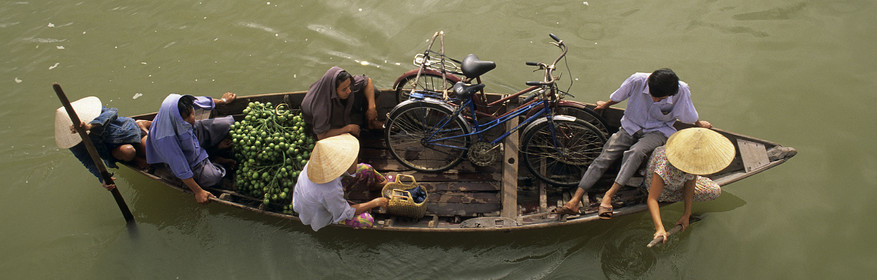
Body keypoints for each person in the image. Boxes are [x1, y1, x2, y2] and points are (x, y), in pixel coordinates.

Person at [557, 68, 713, 218]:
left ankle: (609, 195)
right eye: (653, 96)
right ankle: (575, 200)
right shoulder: (638, 79)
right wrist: (606, 105)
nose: (655, 100)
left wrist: (699, 124)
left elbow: (689, 114)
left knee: (635, 152)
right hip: (630, 125)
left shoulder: (682, 90)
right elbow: (619, 95)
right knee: (605, 157)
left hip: (658, 130)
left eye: (660, 99)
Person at [643, 127, 735, 243]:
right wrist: (659, 228)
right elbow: (652, 199)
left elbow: (690, 184)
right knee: (712, 191)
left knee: (715, 190)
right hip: (663, 190)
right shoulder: (665, 167)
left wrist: (687, 214)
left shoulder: (692, 161)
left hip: (679, 180)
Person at [145, 92, 237, 204]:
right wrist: (198, 191)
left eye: (192, 113)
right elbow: (180, 167)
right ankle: (213, 157)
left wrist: (223, 101)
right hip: (187, 157)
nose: (192, 118)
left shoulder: (178, 102)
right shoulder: (166, 139)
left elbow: (202, 102)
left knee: (228, 122)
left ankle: (209, 153)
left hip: (191, 133)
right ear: (178, 119)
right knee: (213, 177)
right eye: (187, 117)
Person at [293, 133, 389, 231]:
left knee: (366, 169)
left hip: (320, 198)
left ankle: (377, 185)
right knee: (367, 220)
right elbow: (345, 212)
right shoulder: (330, 191)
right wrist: (374, 203)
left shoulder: (315, 165)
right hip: (320, 214)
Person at [55, 96, 151, 191]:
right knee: (128, 152)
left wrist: (90, 126)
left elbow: (112, 112)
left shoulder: (93, 112)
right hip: (112, 149)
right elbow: (87, 161)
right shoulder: (73, 142)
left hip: (126, 132)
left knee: (150, 150)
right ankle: (136, 159)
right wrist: (102, 178)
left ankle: (142, 124)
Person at [301, 66, 383, 140]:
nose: (349, 91)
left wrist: (372, 107)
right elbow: (321, 136)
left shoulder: (346, 84)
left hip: (339, 104)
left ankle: (371, 123)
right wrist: (348, 128)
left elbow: (368, 81)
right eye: (344, 89)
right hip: (323, 122)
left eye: (349, 86)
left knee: (373, 92)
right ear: (333, 90)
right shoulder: (321, 107)